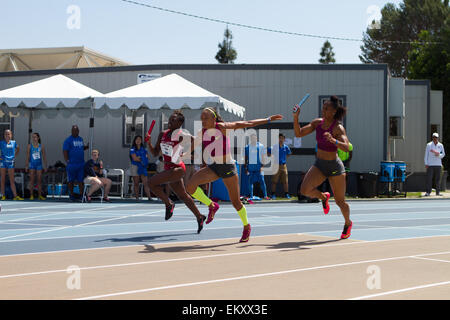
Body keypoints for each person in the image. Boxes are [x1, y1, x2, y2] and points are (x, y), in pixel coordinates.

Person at [185, 107, 283, 243]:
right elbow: (194, 144)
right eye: (201, 118)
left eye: (206, 118)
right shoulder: (203, 132)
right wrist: (184, 154)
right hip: (213, 167)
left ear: (214, 119)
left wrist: (267, 119)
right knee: (190, 187)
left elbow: (248, 123)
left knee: (236, 202)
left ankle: (246, 226)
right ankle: (212, 205)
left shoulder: (223, 127)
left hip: (227, 168)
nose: (203, 121)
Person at [293, 95, 352, 239]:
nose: (323, 110)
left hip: (335, 167)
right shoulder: (317, 123)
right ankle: (323, 197)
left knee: (340, 201)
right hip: (319, 164)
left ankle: (347, 223)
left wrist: (334, 140)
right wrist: (296, 117)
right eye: (323, 107)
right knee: (304, 190)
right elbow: (298, 133)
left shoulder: (338, 128)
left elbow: (347, 148)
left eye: (326, 108)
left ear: (333, 112)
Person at [146, 110, 207, 233]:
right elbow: (154, 153)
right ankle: (200, 216)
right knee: (183, 196)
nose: (170, 121)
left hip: (178, 168)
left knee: (151, 183)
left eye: (173, 120)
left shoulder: (182, 135)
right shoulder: (162, 134)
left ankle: (169, 204)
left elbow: (199, 141)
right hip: (168, 167)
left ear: (180, 123)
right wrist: (148, 142)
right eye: (170, 119)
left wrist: (199, 157)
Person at [63, 125, 89, 201]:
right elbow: (65, 151)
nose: (75, 132)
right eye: (73, 130)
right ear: (71, 131)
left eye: (76, 130)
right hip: (72, 164)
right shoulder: (68, 140)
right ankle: (71, 194)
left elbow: (80, 148)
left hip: (81, 164)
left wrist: (86, 147)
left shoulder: (80, 139)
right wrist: (67, 160)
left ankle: (81, 195)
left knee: (80, 180)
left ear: (78, 131)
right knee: (71, 180)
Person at [244, 133, 270, 200]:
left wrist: (262, 166)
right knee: (250, 182)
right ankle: (251, 196)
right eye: (252, 138)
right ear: (250, 139)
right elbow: (246, 157)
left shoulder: (261, 146)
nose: (253, 139)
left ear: (256, 139)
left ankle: (265, 195)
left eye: (254, 138)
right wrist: (245, 167)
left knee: (262, 181)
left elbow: (263, 156)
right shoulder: (247, 147)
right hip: (250, 168)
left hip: (259, 167)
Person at [0, 129, 23, 200]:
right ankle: (3, 195)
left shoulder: (14, 142)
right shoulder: (1, 142)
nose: (7, 135)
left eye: (9, 134)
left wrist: (14, 156)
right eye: (6, 134)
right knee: (2, 179)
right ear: (4, 135)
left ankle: (15, 196)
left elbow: (18, 148)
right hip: (3, 162)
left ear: (11, 135)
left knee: (12, 180)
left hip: (10, 163)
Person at [269, 133, 292, 199]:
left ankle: (286, 194)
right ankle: (273, 194)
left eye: (282, 138)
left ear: (284, 139)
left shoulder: (286, 147)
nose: (281, 139)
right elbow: (268, 153)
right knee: (274, 181)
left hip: (283, 166)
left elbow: (288, 154)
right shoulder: (274, 147)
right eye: (279, 138)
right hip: (276, 165)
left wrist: (283, 159)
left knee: (285, 181)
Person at [25, 132, 47, 200]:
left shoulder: (41, 146)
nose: (34, 138)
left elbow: (44, 157)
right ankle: (31, 195)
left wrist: (45, 166)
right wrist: (26, 165)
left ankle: (39, 195)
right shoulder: (29, 146)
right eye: (33, 137)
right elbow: (28, 156)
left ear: (38, 138)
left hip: (39, 165)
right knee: (31, 180)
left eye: (35, 137)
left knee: (39, 181)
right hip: (32, 165)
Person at [129, 135, 152, 201]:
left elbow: (148, 157)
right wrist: (142, 159)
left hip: (143, 166)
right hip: (135, 166)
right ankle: (137, 198)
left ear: (141, 141)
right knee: (136, 183)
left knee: (146, 183)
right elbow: (134, 158)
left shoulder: (144, 149)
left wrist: (141, 158)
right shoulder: (132, 149)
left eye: (139, 139)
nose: (138, 140)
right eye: (137, 139)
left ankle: (149, 197)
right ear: (135, 141)